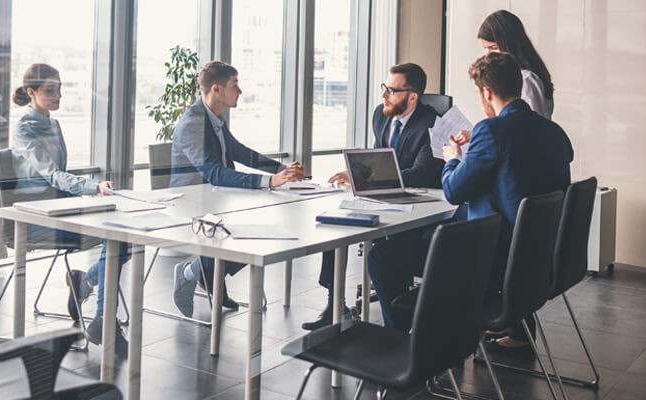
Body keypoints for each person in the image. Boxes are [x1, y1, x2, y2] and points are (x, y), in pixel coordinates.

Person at [442, 52, 574, 349]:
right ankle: (512, 326)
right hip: (543, 254)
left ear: (486, 92)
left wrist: (452, 160)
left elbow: (453, 192)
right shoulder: (554, 131)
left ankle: (429, 345)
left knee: (390, 257)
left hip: (499, 257)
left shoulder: (490, 130)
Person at [306, 63, 444, 331]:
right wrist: (357, 172)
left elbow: (422, 173)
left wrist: (370, 178)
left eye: (392, 90)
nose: (384, 96)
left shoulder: (432, 124)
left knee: (386, 253)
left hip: (419, 204)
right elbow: (379, 159)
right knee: (337, 223)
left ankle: (399, 322)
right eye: (385, 88)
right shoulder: (381, 116)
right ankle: (335, 306)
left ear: (412, 96)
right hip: (382, 196)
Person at [168, 60, 306, 317]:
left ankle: (206, 273)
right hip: (191, 204)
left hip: (215, 200)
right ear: (217, 89)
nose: (240, 91)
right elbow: (214, 173)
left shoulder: (214, 119)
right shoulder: (193, 123)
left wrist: (280, 170)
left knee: (259, 231)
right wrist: (268, 182)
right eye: (235, 85)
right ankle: (193, 272)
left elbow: (240, 152)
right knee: (249, 234)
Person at [10, 63, 129, 353]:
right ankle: (102, 317)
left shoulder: (53, 123)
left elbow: (59, 178)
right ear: (31, 92)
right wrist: (93, 187)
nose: (58, 95)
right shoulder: (25, 127)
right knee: (115, 237)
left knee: (123, 233)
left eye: (60, 88)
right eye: (51, 90)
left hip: (60, 206)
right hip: (37, 216)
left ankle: (85, 283)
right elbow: (52, 174)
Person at [477, 10, 555, 120]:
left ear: (510, 44)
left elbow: (532, 129)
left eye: (494, 48)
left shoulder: (527, 79)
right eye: (486, 49)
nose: (489, 55)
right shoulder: (512, 75)